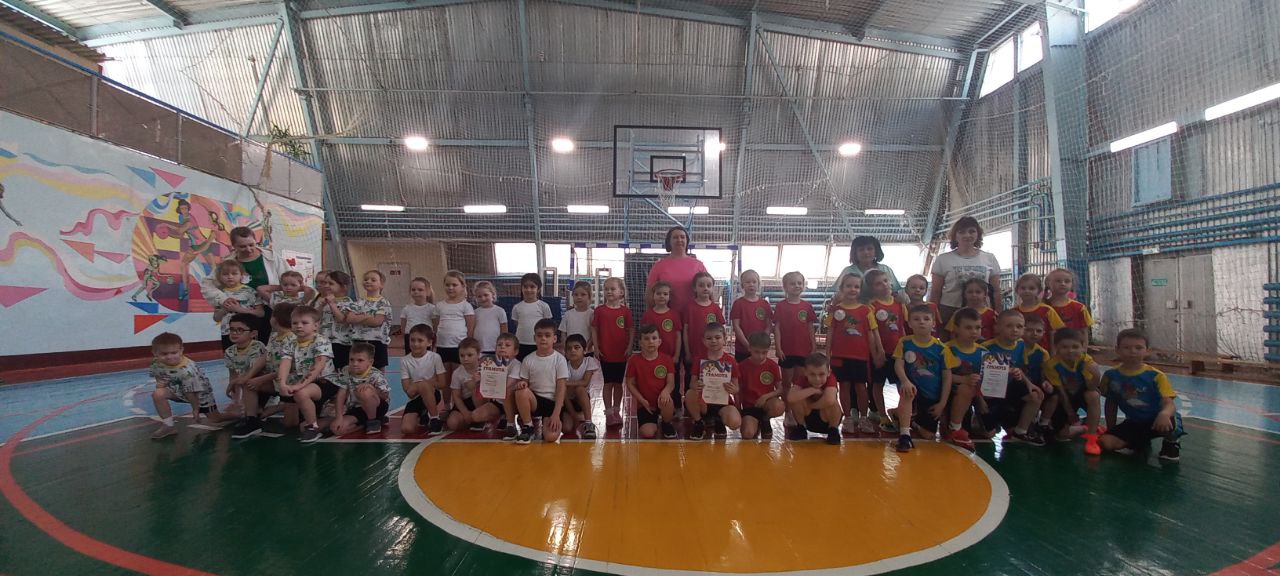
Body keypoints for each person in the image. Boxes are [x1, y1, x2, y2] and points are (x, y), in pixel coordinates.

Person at [1100, 329, 1184, 461]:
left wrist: (1164, 414)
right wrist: (1111, 429)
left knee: (1170, 421)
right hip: (1134, 422)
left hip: (1158, 420)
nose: (1132, 351)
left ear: (1147, 350)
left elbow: (1169, 403)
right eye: (1126, 347)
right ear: (1117, 350)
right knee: (1106, 443)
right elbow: (1111, 403)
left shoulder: (1156, 376)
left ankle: (1171, 441)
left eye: (1138, 348)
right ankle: (1139, 441)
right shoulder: (1110, 376)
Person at [202, 226, 284, 344]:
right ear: (234, 246)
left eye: (251, 244)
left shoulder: (272, 257)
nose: (249, 249)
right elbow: (207, 285)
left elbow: (291, 281)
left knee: (266, 346)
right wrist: (223, 300)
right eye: (242, 246)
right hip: (238, 316)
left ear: (256, 241)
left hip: (269, 311)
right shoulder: (228, 263)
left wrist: (267, 290)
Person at [825, 273, 884, 436]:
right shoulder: (835, 310)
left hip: (860, 357)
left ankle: (864, 418)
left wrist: (876, 352)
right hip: (839, 356)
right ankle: (848, 418)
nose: (852, 289)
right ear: (842, 288)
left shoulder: (866, 310)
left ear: (860, 290)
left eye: (856, 286)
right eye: (849, 286)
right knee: (843, 386)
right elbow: (830, 331)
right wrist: (827, 353)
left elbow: (871, 333)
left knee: (861, 388)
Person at [892, 305, 957, 452]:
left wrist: (942, 403)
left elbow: (947, 377)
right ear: (910, 323)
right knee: (907, 391)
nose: (921, 322)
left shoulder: (942, 348)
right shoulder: (904, 342)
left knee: (928, 435)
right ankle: (904, 435)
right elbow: (898, 365)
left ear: (933, 323)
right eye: (916, 319)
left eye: (926, 319)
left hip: (931, 393)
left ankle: (906, 418)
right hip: (911, 387)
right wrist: (905, 381)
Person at [979, 310, 1046, 445]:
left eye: (1019, 326)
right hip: (990, 392)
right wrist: (979, 400)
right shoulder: (986, 347)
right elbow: (979, 376)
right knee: (989, 434)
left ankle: (1020, 431)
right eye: (1009, 326)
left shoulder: (1020, 344)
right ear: (997, 327)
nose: (1014, 330)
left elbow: (1019, 367)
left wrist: (1029, 383)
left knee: (1036, 394)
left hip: (1009, 387)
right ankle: (979, 420)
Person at [276, 305, 340, 443]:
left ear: (316, 325)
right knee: (292, 424)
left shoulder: (321, 341)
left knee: (301, 393)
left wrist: (299, 386)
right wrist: (282, 383)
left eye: (304, 323)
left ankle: (313, 427)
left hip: (325, 381)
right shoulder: (290, 341)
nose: (299, 326)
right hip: (305, 382)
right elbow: (285, 363)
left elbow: (318, 367)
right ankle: (319, 419)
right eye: (295, 323)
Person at [231, 303, 295, 439]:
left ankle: (281, 406)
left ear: (274, 319)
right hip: (275, 381)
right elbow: (264, 356)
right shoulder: (275, 336)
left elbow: (290, 368)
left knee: (291, 424)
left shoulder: (293, 339)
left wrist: (261, 379)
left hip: (290, 384)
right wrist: (248, 376)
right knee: (248, 383)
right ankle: (252, 421)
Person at [929, 216, 1003, 331]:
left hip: (981, 311)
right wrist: (932, 315)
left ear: (978, 234)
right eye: (962, 232)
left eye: (971, 231)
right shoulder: (943, 259)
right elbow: (935, 291)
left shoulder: (989, 258)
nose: (967, 235)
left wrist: (999, 313)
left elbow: (996, 290)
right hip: (950, 310)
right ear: (955, 235)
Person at [1039, 327, 1104, 454]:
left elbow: (1091, 387)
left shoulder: (1085, 360)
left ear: (1082, 347)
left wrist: (1096, 374)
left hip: (1081, 394)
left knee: (1093, 395)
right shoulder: (1051, 365)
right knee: (1061, 435)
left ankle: (1092, 437)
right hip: (1066, 398)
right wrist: (1070, 413)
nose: (1070, 350)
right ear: (1056, 347)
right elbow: (1061, 391)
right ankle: (1085, 428)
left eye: (1075, 347)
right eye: (1064, 347)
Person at [510, 319, 570, 444]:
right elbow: (525, 382)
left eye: (547, 335)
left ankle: (555, 419)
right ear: (534, 338)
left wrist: (556, 414)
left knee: (550, 437)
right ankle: (528, 426)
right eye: (539, 335)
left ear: (554, 338)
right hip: (535, 401)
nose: (543, 338)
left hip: (552, 403)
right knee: (521, 391)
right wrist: (522, 384)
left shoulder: (560, 360)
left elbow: (561, 388)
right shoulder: (528, 359)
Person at [149, 332, 218, 439]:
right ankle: (168, 425)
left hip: (199, 394)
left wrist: (195, 409)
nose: (169, 357)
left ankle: (238, 415)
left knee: (216, 419)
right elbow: (159, 376)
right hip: (177, 390)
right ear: (155, 353)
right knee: (158, 394)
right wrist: (160, 385)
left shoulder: (187, 370)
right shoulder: (156, 363)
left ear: (181, 350)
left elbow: (191, 392)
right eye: (164, 354)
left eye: (174, 352)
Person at [866, 269, 906, 433]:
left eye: (885, 281)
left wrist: (904, 348)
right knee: (878, 384)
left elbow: (902, 328)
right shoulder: (871, 307)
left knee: (901, 383)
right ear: (872, 288)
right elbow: (871, 332)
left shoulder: (899, 304)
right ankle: (882, 415)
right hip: (880, 353)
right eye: (878, 283)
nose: (883, 285)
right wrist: (877, 353)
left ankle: (900, 412)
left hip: (898, 353)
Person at [687, 322, 742, 440]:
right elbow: (691, 384)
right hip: (704, 403)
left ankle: (719, 420)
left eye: (717, 337)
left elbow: (737, 388)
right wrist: (696, 385)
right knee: (690, 394)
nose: (713, 341)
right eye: (709, 338)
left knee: (735, 422)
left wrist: (733, 389)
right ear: (703, 341)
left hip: (723, 403)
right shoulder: (699, 359)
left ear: (724, 339)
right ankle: (699, 422)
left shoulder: (731, 361)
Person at [942, 308, 986, 451]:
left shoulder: (984, 352)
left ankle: (972, 421)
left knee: (989, 433)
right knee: (966, 387)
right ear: (956, 328)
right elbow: (941, 376)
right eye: (968, 328)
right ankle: (954, 428)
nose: (974, 332)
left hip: (974, 395)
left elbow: (986, 380)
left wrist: (981, 400)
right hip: (947, 393)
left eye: (977, 327)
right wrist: (963, 379)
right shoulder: (946, 349)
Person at [592, 277, 633, 427]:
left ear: (621, 292)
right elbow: (594, 329)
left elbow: (631, 329)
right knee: (608, 383)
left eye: (612, 289)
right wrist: (596, 347)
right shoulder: (600, 311)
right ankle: (609, 412)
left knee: (618, 383)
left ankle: (617, 410)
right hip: (606, 354)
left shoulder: (625, 311)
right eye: (606, 289)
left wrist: (630, 346)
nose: (609, 291)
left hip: (621, 354)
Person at [625, 325, 678, 439]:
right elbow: (629, 383)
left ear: (659, 342)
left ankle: (666, 423)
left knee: (667, 400)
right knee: (647, 433)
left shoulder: (666, 359)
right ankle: (652, 421)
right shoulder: (634, 361)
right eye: (646, 338)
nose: (651, 341)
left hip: (662, 401)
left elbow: (671, 383)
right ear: (640, 343)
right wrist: (642, 400)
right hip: (645, 404)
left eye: (654, 338)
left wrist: (665, 392)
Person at [646, 225, 709, 320]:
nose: (679, 240)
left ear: (687, 241)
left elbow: (709, 290)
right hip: (666, 317)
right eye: (675, 237)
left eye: (682, 237)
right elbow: (649, 294)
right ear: (669, 241)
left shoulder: (698, 265)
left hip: (693, 316)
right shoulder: (659, 266)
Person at [433, 270, 476, 408]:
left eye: (454, 285)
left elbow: (470, 327)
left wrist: (467, 346)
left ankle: (460, 406)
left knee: (459, 379)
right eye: (447, 285)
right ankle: (447, 405)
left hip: (459, 348)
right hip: (443, 347)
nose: (450, 288)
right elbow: (436, 326)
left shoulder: (466, 306)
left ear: (462, 286)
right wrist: (435, 344)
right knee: (445, 379)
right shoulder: (439, 306)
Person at [773, 271, 816, 406]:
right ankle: (787, 410)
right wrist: (778, 347)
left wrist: (813, 346)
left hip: (803, 350)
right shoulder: (781, 306)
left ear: (803, 285)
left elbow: (810, 328)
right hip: (786, 351)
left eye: (799, 283)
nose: (797, 286)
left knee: (799, 382)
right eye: (792, 283)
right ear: (785, 287)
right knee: (786, 382)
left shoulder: (807, 306)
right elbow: (777, 328)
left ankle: (798, 409)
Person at [329, 343, 390, 436]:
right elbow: (341, 395)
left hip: (377, 407)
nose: (355, 364)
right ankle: (367, 423)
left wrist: (373, 390)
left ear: (370, 362)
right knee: (337, 429)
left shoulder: (376, 374)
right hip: (356, 409)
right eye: (351, 359)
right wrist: (339, 418)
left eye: (360, 360)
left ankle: (373, 421)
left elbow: (385, 396)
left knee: (365, 391)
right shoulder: (346, 371)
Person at [684, 271, 725, 407]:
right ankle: (690, 407)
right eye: (701, 285)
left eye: (708, 285)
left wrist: (721, 349)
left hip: (712, 353)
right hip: (694, 352)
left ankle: (712, 407)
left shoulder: (715, 308)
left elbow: (721, 330)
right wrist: (687, 352)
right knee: (692, 380)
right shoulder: (689, 307)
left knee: (711, 379)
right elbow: (685, 331)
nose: (705, 288)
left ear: (712, 288)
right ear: (694, 288)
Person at [784, 353, 843, 445]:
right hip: (808, 420)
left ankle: (833, 430)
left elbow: (829, 400)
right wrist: (813, 390)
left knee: (833, 403)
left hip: (826, 421)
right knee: (796, 399)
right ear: (805, 373)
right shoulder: (803, 379)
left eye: (821, 374)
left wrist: (811, 406)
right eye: (812, 374)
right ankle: (801, 428)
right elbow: (790, 398)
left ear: (829, 372)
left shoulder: (831, 379)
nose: (817, 379)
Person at [446, 338, 501, 432]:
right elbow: (456, 396)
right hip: (465, 402)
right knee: (453, 423)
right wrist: (465, 412)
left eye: (470, 355)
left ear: (478, 354)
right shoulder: (457, 373)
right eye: (462, 355)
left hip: (483, 400)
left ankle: (481, 419)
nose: (465, 359)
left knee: (476, 389)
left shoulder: (487, 367)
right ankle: (472, 420)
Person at [401, 324, 447, 434]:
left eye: (420, 340)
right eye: (412, 340)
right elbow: (409, 392)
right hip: (415, 398)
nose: (415, 344)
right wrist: (425, 383)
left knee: (423, 385)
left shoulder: (435, 357)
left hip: (433, 394)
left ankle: (435, 419)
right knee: (407, 429)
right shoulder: (404, 360)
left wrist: (422, 384)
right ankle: (423, 414)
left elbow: (442, 384)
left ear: (429, 342)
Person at [737, 332, 784, 440]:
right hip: (749, 407)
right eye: (756, 352)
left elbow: (780, 389)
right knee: (747, 434)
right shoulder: (742, 366)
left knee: (779, 406)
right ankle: (755, 422)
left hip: (766, 404)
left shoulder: (772, 365)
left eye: (764, 352)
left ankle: (765, 420)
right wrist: (738, 408)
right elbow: (738, 391)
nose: (760, 356)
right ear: (749, 348)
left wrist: (766, 396)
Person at [211, 260, 265, 351]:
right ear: (219, 277)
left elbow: (260, 313)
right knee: (230, 356)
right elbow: (216, 318)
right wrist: (224, 310)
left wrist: (239, 309)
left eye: (234, 273)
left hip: (247, 333)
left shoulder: (251, 292)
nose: (230, 277)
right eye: (225, 274)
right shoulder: (219, 294)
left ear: (241, 275)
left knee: (250, 356)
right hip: (228, 333)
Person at [344, 270, 392, 370]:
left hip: (377, 341)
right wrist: (367, 316)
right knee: (358, 368)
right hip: (359, 340)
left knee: (378, 368)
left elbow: (376, 322)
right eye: (366, 279)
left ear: (381, 285)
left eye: (373, 280)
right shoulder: (359, 302)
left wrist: (359, 317)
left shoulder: (383, 303)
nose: (368, 281)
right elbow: (349, 318)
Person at [222, 313, 267, 419]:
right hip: (247, 385)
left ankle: (279, 406)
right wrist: (235, 401)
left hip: (262, 385)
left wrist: (243, 401)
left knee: (253, 412)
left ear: (253, 333)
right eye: (232, 329)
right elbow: (233, 375)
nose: (234, 333)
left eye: (240, 330)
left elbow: (254, 373)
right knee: (240, 411)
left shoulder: (257, 346)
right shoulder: (229, 351)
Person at [836, 235, 904, 304]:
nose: (866, 252)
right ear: (855, 253)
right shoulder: (848, 271)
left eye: (870, 249)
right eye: (861, 249)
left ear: (876, 251)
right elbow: (839, 294)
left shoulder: (885, 269)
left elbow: (895, 292)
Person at [641, 281, 683, 385]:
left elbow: (678, 336)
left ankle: (674, 396)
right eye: (658, 293)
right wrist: (645, 353)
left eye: (665, 294)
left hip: (671, 356)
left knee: (674, 381)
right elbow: (643, 336)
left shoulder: (674, 314)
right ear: (653, 295)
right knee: (655, 380)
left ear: (669, 297)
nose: (662, 296)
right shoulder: (648, 315)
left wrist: (677, 355)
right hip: (653, 355)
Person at [730, 269, 772, 363]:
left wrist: (761, 343)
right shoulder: (738, 304)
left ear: (758, 284)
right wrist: (747, 345)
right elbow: (736, 327)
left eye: (754, 282)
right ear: (742, 285)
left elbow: (769, 326)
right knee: (742, 370)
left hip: (760, 350)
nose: (751, 284)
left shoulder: (765, 304)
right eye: (747, 282)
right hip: (742, 348)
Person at [1013, 273, 1065, 350]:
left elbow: (1056, 332)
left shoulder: (1047, 310)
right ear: (1017, 290)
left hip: (1043, 351)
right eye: (1023, 288)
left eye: (1031, 288)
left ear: (1039, 291)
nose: (1027, 291)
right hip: (1019, 352)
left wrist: (1054, 350)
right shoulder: (1014, 312)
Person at [562, 334, 599, 439]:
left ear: (585, 350)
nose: (572, 350)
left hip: (581, 398)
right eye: (569, 348)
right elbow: (563, 393)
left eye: (576, 347)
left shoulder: (589, 361)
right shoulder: (564, 365)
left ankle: (588, 423)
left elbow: (585, 382)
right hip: (568, 400)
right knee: (567, 428)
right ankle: (576, 416)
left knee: (580, 389)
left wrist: (566, 383)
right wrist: (573, 416)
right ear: (565, 352)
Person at [317, 271, 354, 369]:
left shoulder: (347, 302)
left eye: (331, 283)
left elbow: (341, 319)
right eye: (326, 283)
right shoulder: (324, 300)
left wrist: (332, 304)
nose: (327, 286)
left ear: (343, 287)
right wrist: (321, 306)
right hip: (324, 340)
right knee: (325, 368)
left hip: (340, 341)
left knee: (340, 368)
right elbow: (316, 318)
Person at [512, 272, 553, 360]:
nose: (528, 290)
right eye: (525, 287)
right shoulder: (517, 307)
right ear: (521, 288)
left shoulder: (544, 306)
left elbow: (548, 326)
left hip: (538, 343)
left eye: (532, 287)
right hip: (521, 342)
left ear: (538, 289)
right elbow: (517, 323)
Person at [1046, 268, 1094, 334]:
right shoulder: (1043, 307)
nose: (1063, 284)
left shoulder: (1080, 308)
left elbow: (1084, 333)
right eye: (1058, 281)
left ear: (1072, 285)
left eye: (1067, 281)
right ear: (1048, 283)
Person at [399, 277, 437, 353]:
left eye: (420, 290)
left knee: (425, 358)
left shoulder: (432, 309)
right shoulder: (406, 308)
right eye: (413, 290)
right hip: (410, 337)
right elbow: (403, 325)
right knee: (410, 357)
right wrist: (405, 337)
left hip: (425, 337)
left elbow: (435, 325)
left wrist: (433, 338)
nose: (416, 292)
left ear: (428, 292)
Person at [471, 280, 508, 355]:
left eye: (486, 295)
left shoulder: (499, 311)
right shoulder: (475, 312)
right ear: (475, 298)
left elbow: (504, 330)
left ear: (493, 295)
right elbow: (472, 328)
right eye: (479, 296)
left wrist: (503, 346)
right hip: (479, 348)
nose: (483, 298)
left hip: (495, 347)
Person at [560, 281, 594, 351]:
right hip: (571, 351)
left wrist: (586, 348)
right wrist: (566, 348)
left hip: (587, 352)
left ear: (589, 296)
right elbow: (563, 334)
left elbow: (593, 335)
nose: (579, 297)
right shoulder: (568, 314)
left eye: (583, 294)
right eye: (576, 294)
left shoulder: (592, 314)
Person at [904, 274, 942, 338]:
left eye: (921, 288)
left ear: (926, 291)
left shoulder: (932, 306)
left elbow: (938, 325)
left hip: (931, 341)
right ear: (906, 290)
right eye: (913, 287)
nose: (917, 290)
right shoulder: (904, 308)